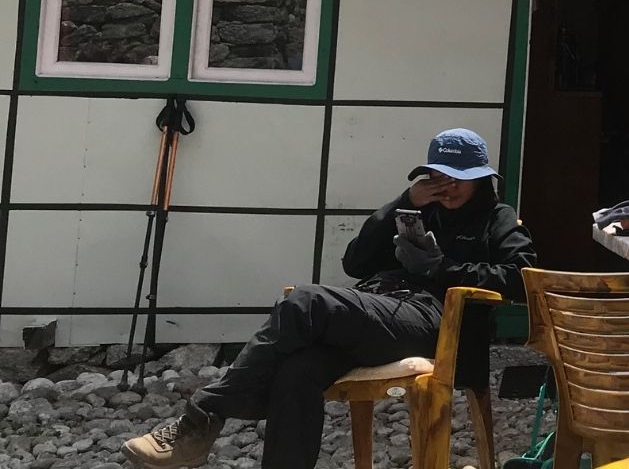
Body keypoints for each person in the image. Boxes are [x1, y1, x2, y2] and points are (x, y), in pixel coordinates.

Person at [123, 129, 537, 469]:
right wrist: (403, 203)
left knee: (306, 301)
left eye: (456, 178)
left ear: (482, 177)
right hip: (384, 310)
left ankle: (201, 419)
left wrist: (440, 268)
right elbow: (356, 262)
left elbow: (521, 278)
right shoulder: (420, 209)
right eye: (437, 177)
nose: (445, 188)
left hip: (437, 323)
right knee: (298, 370)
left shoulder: (497, 218)